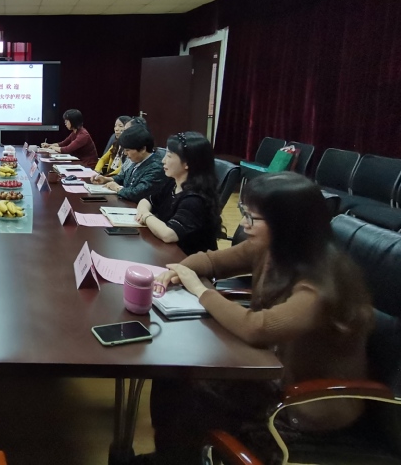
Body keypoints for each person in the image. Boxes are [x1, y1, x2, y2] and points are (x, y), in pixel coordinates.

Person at [140, 172, 374, 465]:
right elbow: (213, 260)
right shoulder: (275, 248)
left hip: (304, 404)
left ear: (287, 223)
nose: (243, 224)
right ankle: (170, 456)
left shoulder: (321, 284)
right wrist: (179, 271)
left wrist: (200, 290)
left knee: (190, 391)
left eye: (252, 217)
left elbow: (256, 328)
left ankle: (178, 457)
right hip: (268, 368)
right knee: (174, 373)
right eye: (244, 212)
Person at [135, 131, 220, 255]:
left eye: (169, 156)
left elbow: (168, 234)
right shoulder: (173, 183)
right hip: (167, 252)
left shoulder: (194, 199)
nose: (163, 160)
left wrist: (146, 216)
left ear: (187, 163)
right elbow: (147, 200)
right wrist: (144, 211)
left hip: (188, 260)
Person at [91, 125, 166, 202]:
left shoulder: (156, 167)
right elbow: (124, 177)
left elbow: (137, 193)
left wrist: (117, 188)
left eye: (127, 150)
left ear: (143, 149)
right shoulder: (138, 159)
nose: (125, 153)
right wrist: (107, 179)